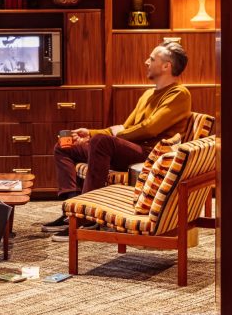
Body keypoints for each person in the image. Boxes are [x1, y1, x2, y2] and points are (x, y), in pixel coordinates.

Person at [44, 41, 192, 239]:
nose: (146, 62)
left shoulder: (179, 94)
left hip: (151, 155)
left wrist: (106, 136)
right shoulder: (148, 94)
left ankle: (87, 219)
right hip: (132, 149)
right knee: (64, 147)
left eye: (152, 59)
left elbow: (150, 128)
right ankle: (72, 209)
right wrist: (90, 133)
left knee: (102, 142)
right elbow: (125, 127)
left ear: (166, 66)